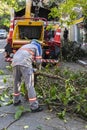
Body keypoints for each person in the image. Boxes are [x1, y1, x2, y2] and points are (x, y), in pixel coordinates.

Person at [11, 39, 43, 112]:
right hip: (25, 64)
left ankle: (16, 101)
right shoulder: (36, 47)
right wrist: (38, 69)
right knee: (29, 85)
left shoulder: (25, 46)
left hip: (15, 63)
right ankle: (34, 106)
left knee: (16, 82)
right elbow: (38, 61)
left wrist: (32, 68)